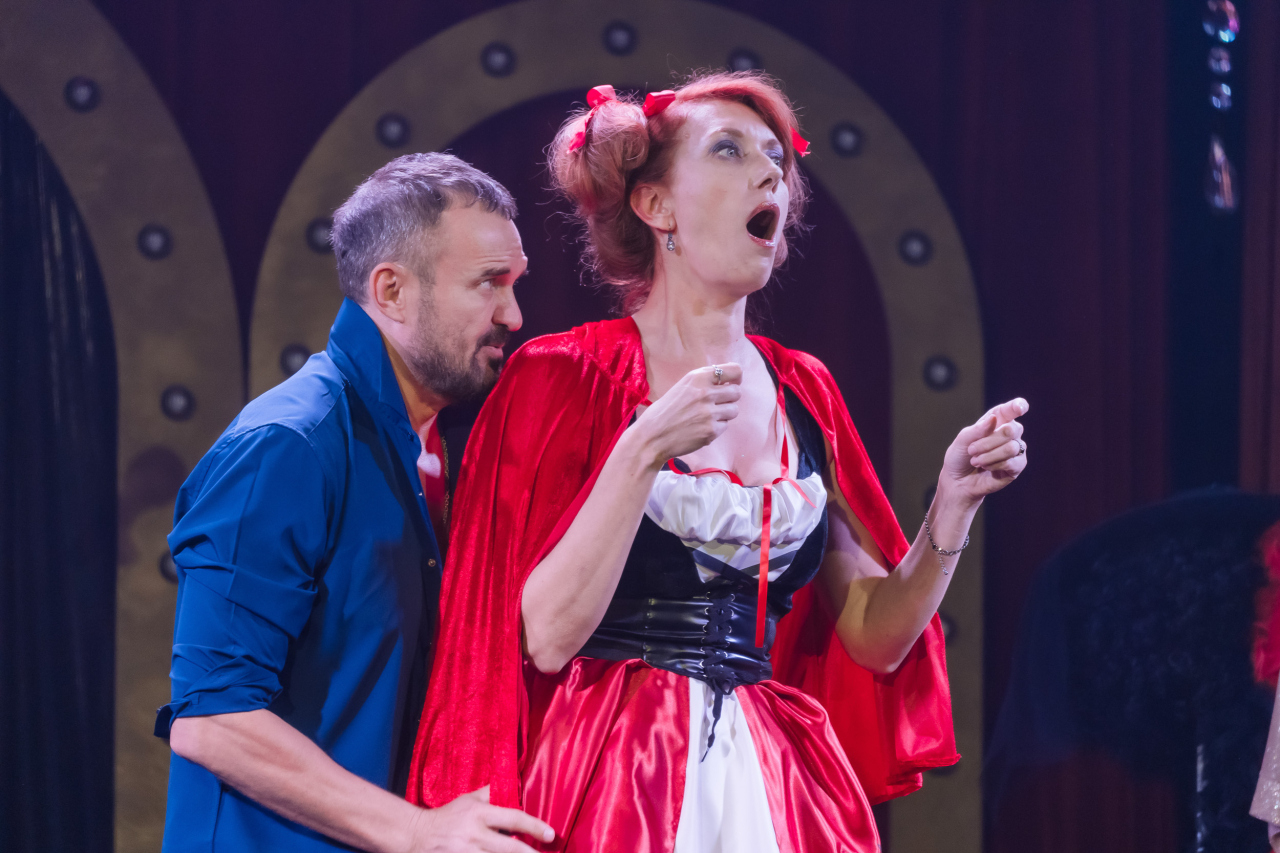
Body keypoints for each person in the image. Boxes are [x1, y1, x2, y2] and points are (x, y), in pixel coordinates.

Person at [407, 73, 1029, 852]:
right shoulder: (566, 375)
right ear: (655, 205)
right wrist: (641, 450)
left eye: (776, 157)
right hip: (615, 769)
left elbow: (874, 634)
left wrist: (952, 508)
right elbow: (546, 637)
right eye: (730, 151)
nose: (771, 172)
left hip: (770, 773)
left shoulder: (803, 389)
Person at [156, 153, 554, 853]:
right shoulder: (289, 444)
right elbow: (212, 719)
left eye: (515, 284)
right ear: (391, 290)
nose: (514, 315)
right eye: (489, 283)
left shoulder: (434, 449)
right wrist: (416, 830)